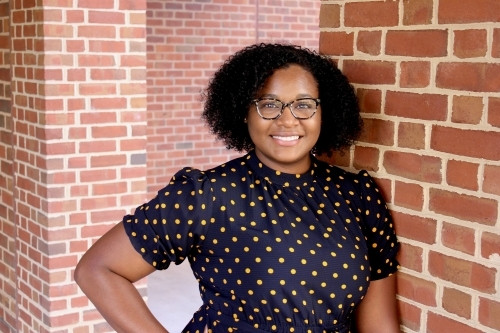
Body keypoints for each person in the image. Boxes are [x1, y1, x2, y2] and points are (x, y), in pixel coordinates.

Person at [75, 43, 400, 333]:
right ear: (244, 112)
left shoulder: (357, 196)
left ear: (323, 113)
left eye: (303, 105)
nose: (288, 121)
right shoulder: (207, 195)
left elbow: (379, 325)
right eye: (269, 105)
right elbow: (98, 269)